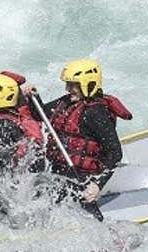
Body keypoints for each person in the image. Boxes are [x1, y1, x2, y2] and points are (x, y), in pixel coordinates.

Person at [24, 59, 131, 219]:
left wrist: (97, 185)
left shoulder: (96, 113)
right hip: (58, 172)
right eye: (68, 84)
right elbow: (40, 114)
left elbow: (115, 153)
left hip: (82, 179)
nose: (68, 89)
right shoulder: (65, 102)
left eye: (73, 85)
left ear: (88, 84)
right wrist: (34, 97)